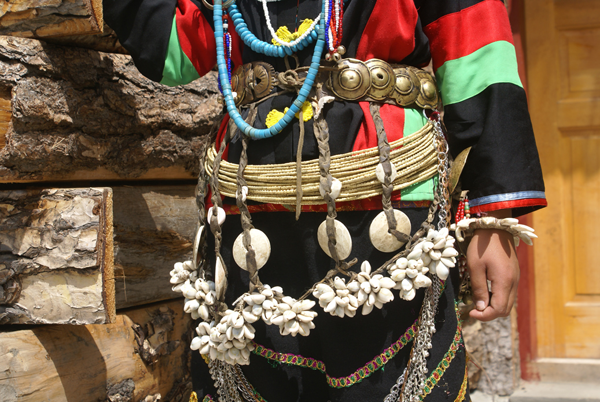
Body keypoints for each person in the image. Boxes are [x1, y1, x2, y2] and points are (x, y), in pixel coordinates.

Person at [103, 0, 546, 400]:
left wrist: (491, 219)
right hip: (250, 208)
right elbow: (175, 52)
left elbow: (477, 49)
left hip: (387, 202)